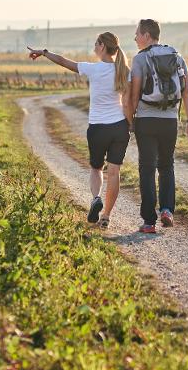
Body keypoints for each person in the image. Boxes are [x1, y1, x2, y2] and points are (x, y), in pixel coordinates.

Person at [28, 32, 131, 228]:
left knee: (96, 168)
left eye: (95, 43)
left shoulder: (92, 69)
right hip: (119, 127)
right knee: (114, 172)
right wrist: (130, 124)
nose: (93, 47)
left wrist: (44, 52)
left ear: (102, 47)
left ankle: (95, 198)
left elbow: (64, 61)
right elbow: (128, 102)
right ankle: (106, 216)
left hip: (97, 128)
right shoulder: (125, 71)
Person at [124, 19, 188, 234]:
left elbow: (134, 94)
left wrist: (130, 123)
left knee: (146, 169)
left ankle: (149, 222)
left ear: (147, 35)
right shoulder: (177, 58)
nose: (135, 38)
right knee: (167, 165)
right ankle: (167, 209)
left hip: (146, 120)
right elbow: (186, 92)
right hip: (170, 121)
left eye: (137, 33)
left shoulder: (140, 59)